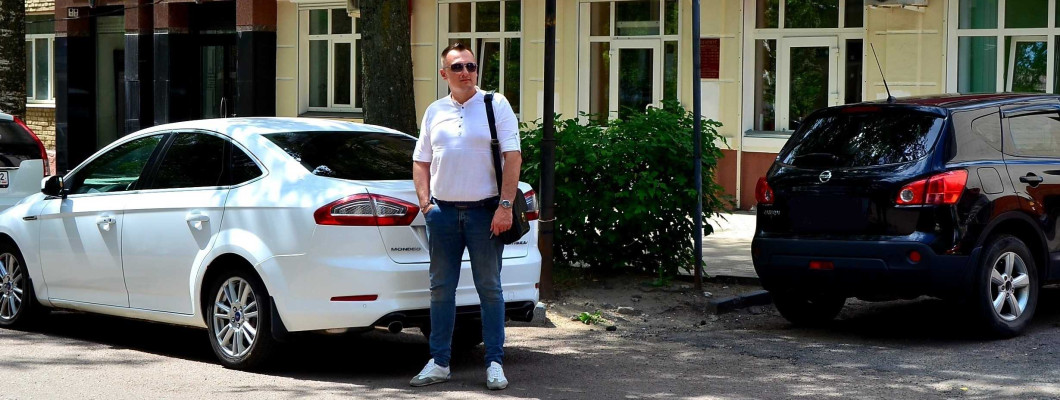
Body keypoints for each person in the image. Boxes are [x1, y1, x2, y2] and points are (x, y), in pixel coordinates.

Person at [409, 42, 522, 391]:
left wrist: (505, 206)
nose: (466, 72)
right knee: (441, 289)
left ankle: (494, 363)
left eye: (471, 66)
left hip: (485, 213)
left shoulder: (494, 104)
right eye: (457, 67)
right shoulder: (435, 111)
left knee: (490, 288)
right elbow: (420, 161)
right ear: (444, 74)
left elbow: (513, 157)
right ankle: (439, 362)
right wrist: (426, 204)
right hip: (442, 213)